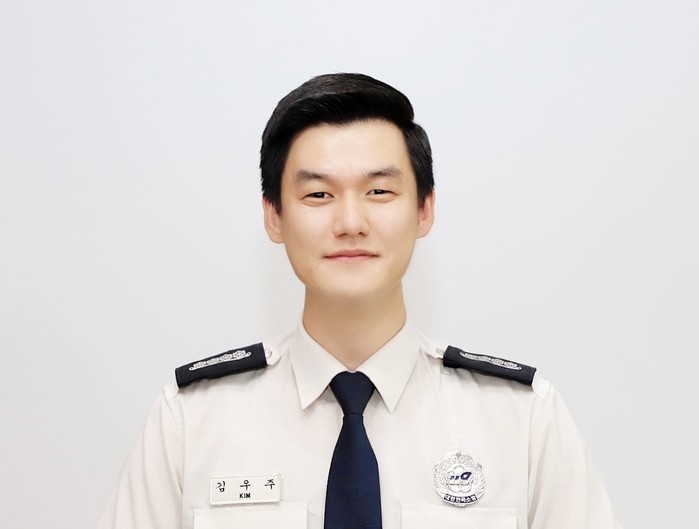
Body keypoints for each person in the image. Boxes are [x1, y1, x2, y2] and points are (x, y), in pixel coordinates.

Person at [97, 73, 623, 529]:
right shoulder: (190, 423)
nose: (350, 222)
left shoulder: (521, 420)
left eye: (379, 192)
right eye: (318, 195)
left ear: (424, 210)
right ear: (274, 216)